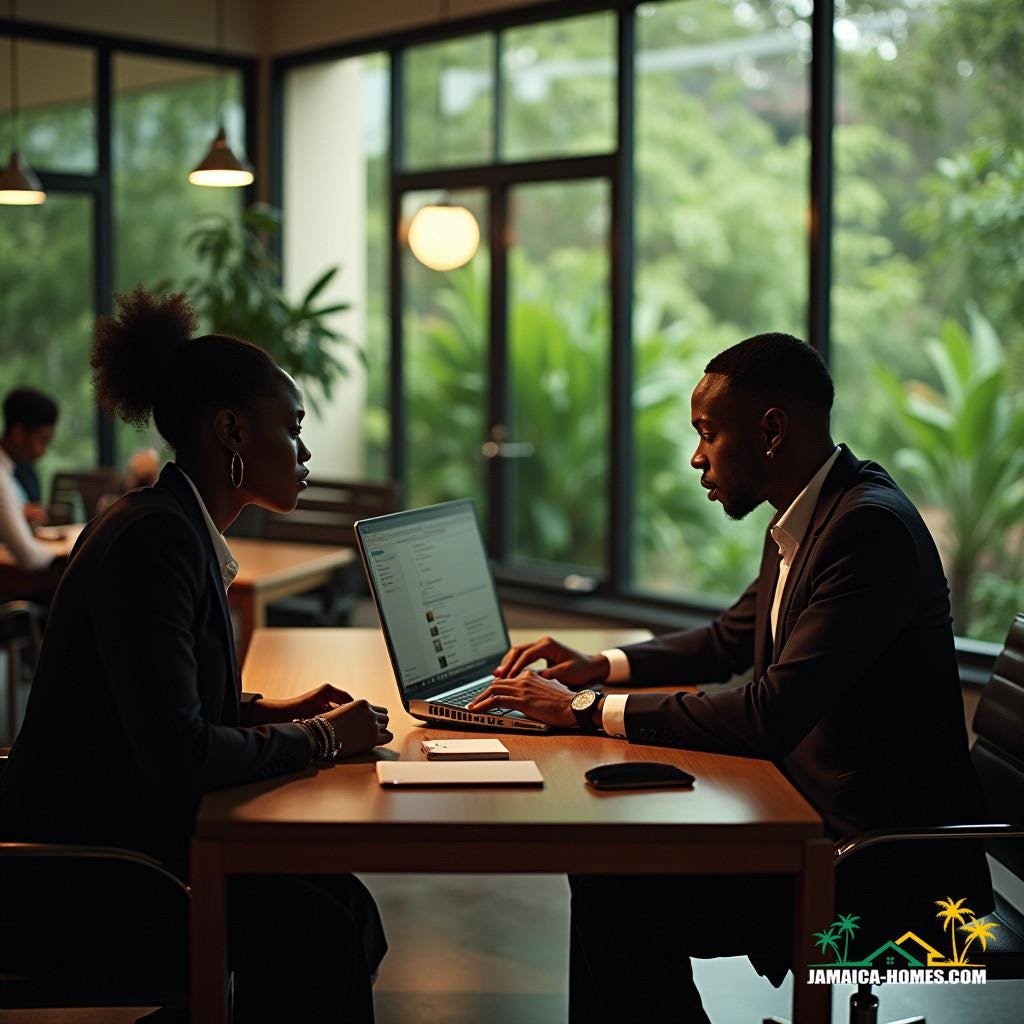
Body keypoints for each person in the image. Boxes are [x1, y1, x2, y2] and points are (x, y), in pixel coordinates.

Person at [468, 333, 992, 1023]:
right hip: (810, 822)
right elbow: (728, 641)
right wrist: (601, 666)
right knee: (607, 872)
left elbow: (769, 713)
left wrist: (587, 709)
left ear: (771, 430)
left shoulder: (868, 532)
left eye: (708, 434)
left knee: (617, 894)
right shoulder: (813, 517)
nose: (696, 457)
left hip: (881, 869)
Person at [0, 287, 392, 1023]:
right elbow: (176, 753)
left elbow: (156, 697)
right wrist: (321, 737)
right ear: (231, 431)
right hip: (100, 875)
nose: (306, 454)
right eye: (294, 430)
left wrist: (273, 711)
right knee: (321, 927)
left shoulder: (170, 524)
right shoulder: (155, 542)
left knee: (340, 903)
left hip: (130, 839)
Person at [0, 387, 59, 565]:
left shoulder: (11, 470)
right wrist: (74, 554)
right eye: (42, 441)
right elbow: (29, 556)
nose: (43, 452)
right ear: (18, 433)